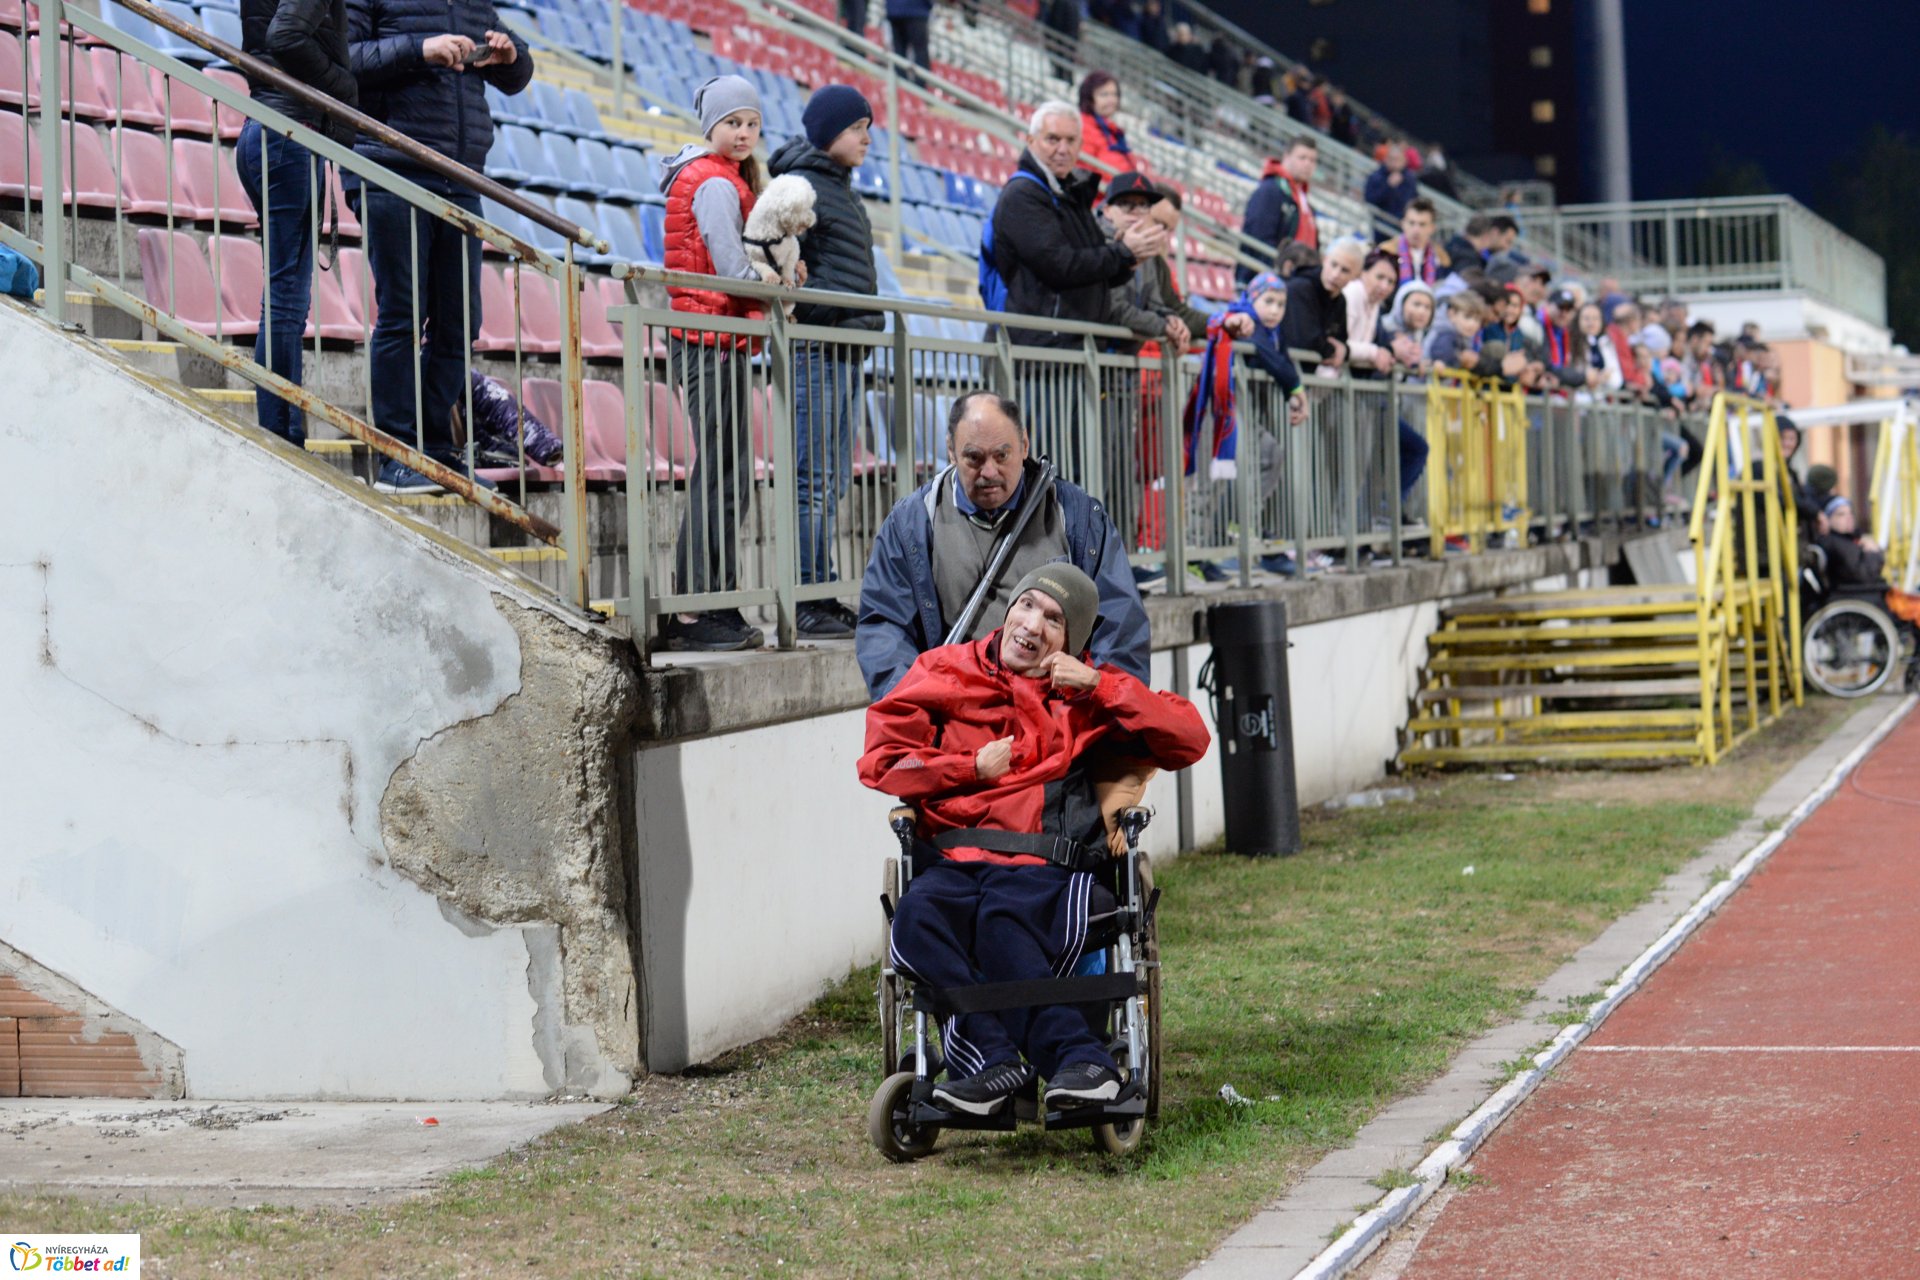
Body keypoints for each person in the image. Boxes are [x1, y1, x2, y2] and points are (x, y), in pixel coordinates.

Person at [861, 564, 1209, 1116]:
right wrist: (966, 767)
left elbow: (1189, 737)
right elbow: (883, 763)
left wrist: (1100, 684)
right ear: (1007, 610)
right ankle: (1001, 1063)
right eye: (1026, 605)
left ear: (1070, 642)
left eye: (1054, 619)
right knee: (915, 923)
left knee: (1002, 923)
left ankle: (1080, 1061)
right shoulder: (944, 671)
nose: (1032, 624)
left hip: (1044, 866)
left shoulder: (1086, 696)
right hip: (953, 861)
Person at [856, 391, 1153, 701]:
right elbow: (885, 628)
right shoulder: (912, 523)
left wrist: (1097, 711)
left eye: (1002, 455)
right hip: (956, 712)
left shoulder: (1077, 517)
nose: (989, 472)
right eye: (974, 457)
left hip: (1056, 714)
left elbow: (1121, 627)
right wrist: (917, 708)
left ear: (1024, 446)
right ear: (951, 451)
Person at [347, 0, 532, 493]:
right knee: (403, 315)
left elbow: (519, 75)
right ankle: (395, 455)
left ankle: (437, 453)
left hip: (460, 176)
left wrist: (510, 56)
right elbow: (343, 59)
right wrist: (420, 50)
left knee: (459, 323)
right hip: (390, 165)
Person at [656, 75, 774, 651]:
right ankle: (700, 608)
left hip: (716, 336)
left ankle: (711, 601)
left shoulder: (723, 179)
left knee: (727, 473)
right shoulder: (714, 182)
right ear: (711, 129)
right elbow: (731, 268)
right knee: (723, 474)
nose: (745, 133)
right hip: (708, 337)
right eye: (734, 123)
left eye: (752, 123)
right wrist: (771, 286)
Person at [770, 85, 881, 639]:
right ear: (828, 131)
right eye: (857, 127)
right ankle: (808, 597)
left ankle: (822, 588)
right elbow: (773, 264)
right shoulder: (802, 187)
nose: (866, 137)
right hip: (816, 344)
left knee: (831, 478)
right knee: (812, 479)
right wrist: (809, 308)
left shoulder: (840, 188)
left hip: (842, 345)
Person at [237, 0, 356, 447]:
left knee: (283, 295)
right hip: (288, 132)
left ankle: (283, 426)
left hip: (264, 128)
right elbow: (285, 37)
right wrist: (341, 86)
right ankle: (281, 433)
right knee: (287, 300)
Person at [989, 102, 1164, 350]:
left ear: (1080, 146)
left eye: (1071, 141)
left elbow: (1087, 275)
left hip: (1068, 350)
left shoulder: (1071, 195)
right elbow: (1059, 266)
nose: (1063, 149)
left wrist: (1127, 263)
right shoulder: (1023, 194)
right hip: (1036, 354)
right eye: (1052, 139)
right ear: (1030, 141)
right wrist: (1121, 252)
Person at [1238, 137, 1318, 286]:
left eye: (1313, 160)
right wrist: (1281, 270)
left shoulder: (1306, 203)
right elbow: (1259, 239)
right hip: (1265, 284)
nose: (1308, 164)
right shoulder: (1270, 191)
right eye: (1302, 158)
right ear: (1286, 157)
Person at [1281, 238, 1360, 371]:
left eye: (1345, 270)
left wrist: (1343, 350)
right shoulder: (1299, 288)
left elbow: (1340, 341)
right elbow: (1306, 341)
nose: (1335, 275)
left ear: (1355, 276)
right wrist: (1333, 349)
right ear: (1325, 260)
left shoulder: (1341, 301)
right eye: (1333, 265)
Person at [1077, 70, 1137, 179]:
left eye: (1114, 94)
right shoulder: (1083, 127)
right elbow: (1085, 170)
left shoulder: (1113, 131)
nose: (1112, 100)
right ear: (1089, 98)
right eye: (1104, 95)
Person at [1815, 496, 1886, 587]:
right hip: (1853, 595)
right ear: (1827, 520)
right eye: (1841, 514)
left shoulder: (1852, 540)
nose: (1848, 517)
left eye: (1850, 513)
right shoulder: (1835, 543)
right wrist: (1873, 553)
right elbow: (1863, 576)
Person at [1380, 197, 1448, 288]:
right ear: (1403, 224)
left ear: (1432, 228)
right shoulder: (1386, 252)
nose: (1416, 230)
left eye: (1422, 224)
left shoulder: (1441, 259)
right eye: (1411, 223)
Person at [1363, 142, 1417, 235]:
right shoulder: (1376, 176)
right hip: (1378, 225)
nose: (1394, 163)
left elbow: (1411, 202)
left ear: (1404, 161)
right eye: (1391, 159)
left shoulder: (1409, 180)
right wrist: (1388, 187)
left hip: (1400, 229)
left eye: (1397, 160)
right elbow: (1370, 199)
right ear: (1386, 159)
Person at [1040, 0, 1081, 82]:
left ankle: (1062, 77)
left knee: (1063, 58)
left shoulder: (1061, 2)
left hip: (1063, 37)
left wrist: (1050, 36)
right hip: (1071, 37)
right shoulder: (1073, 4)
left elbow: (1057, 20)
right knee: (1068, 60)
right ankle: (1067, 78)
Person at [884, 0, 930, 71]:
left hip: (894, 10)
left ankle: (900, 78)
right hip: (916, 10)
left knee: (899, 51)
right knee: (920, 52)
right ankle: (918, 81)